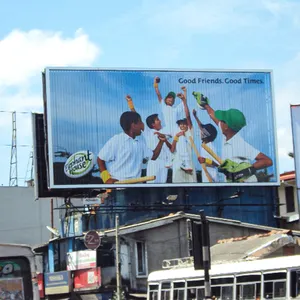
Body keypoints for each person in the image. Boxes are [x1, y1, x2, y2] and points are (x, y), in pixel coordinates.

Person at [196, 94, 273, 183]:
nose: (219, 122)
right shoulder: (227, 133)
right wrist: (205, 105)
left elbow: (267, 161)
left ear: (226, 127)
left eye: (222, 121)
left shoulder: (239, 144)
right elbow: (214, 117)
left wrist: (242, 173)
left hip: (247, 187)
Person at [97, 111, 166, 183]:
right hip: (119, 188)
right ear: (133, 125)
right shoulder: (116, 140)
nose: (142, 125)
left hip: (136, 187)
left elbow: (153, 156)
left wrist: (161, 142)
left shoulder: (140, 143)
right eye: (140, 122)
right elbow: (100, 159)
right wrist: (106, 179)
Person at [125, 95, 172, 183]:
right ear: (152, 124)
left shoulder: (165, 131)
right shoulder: (148, 132)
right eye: (157, 120)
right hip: (154, 162)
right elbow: (136, 118)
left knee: (162, 188)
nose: (160, 121)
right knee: (153, 188)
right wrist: (130, 103)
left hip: (164, 164)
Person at [170, 87, 197, 183]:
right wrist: (176, 137)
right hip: (178, 166)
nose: (182, 125)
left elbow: (188, 116)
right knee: (179, 191)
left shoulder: (190, 132)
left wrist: (184, 101)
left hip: (189, 165)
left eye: (184, 123)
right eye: (180, 124)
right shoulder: (177, 135)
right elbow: (172, 150)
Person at [192, 109, 219, 182]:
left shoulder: (211, 146)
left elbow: (218, 164)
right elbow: (201, 126)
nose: (201, 132)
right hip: (205, 178)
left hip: (213, 179)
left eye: (202, 131)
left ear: (206, 134)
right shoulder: (204, 145)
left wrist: (205, 160)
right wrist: (195, 116)